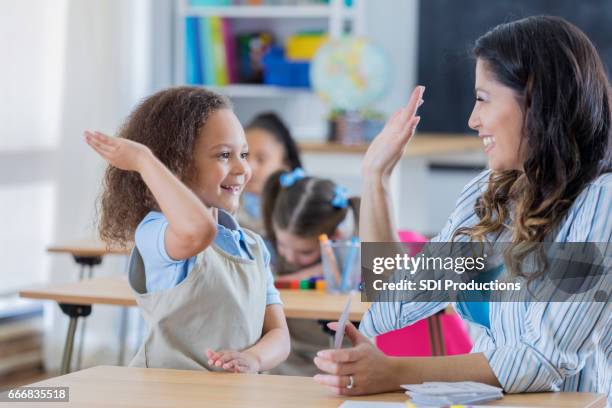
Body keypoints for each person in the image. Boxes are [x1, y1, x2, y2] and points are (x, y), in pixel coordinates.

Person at [313, 15, 612, 403]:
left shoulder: (599, 202)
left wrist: (392, 372)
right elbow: (393, 302)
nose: (473, 120)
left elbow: (544, 359)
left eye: (483, 99)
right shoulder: (491, 195)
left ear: (535, 97)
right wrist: (375, 177)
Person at [85, 86, 290, 372]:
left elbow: (279, 334)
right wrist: (145, 162)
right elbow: (199, 232)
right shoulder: (156, 232)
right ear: (176, 165)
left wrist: (254, 359)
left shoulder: (253, 246)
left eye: (243, 154)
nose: (242, 168)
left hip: (233, 395)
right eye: (223, 155)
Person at [262, 168, 360, 375]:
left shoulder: (350, 257)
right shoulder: (265, 251)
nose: (290, 257)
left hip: (336, 365)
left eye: (304, 251)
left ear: (334, 237)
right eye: (283, 245)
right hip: (285, 365)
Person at [238, 112, 303, 235]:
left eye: (261, 159)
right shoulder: (221, 211)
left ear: (285, 165)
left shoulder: (300, 212)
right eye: (243, 155)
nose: (247, 166)